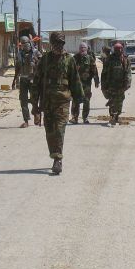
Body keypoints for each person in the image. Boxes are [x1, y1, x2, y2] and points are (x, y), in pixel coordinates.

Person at [30, 32, 83, 175]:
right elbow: (36, 82)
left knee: (59, 130)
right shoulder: (45, 60)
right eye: (57, 43)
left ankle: (57, 160)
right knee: (50, 132)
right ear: (52, 44)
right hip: (47, 102)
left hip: (63, 102)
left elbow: (75, 81)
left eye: (62, 43)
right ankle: (54, 155)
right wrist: (35, 105)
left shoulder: (69, 60)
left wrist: (78, 100)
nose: (59, 46)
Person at [100, 42, 131, 126]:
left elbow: (128, 72)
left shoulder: (125, 60)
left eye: (120, 49)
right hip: (111, 85)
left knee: (120, 101)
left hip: (121, 85)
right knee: (113, 101)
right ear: (114, 50)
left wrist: (128, 82)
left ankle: (117, 116)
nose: (119, 51)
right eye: (117, 49)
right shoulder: (109, 59)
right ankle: (113, 117)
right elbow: (104, 73)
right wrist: (103, 85)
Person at [12, 36, 40, 128]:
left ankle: (36, 114)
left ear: (30, 43)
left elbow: (42, 65)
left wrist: (36, 64)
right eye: (22, 44)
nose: (24, 45)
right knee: (23, 100)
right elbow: (17, 68)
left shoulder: (36, 52)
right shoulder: (19, 54)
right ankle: (26, 120)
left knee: (34, 99)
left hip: (33, 79)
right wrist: (14, 80)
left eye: (26, 43)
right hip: (23, 79)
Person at [70, 42, 99, 124]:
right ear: (79, 49)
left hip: (86, 84)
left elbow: (94, 70)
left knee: (86, 101)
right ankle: (74, 118)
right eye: (81, 48)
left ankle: (85, 118)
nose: (82, 49)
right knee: (75, 100)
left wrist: (96, 80)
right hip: (76, 84)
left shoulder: (90, 58)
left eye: (84, 48)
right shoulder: (74, 58)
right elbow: (70, 70)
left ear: (86, 49)